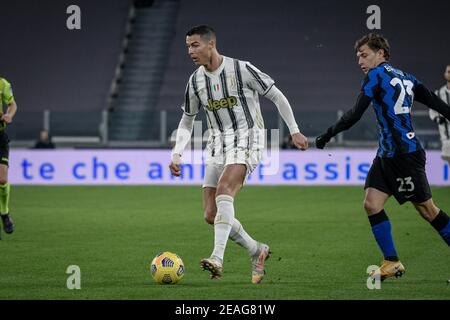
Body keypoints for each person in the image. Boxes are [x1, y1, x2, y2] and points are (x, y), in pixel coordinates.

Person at [169, 25, 308, 283]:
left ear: (211, 44)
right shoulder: (195, 81)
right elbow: (187, 120)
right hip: (217, 145)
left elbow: (277, 96)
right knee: (211, 215)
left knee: (224, 191)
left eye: (195, 45)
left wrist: (295, 130)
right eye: (188, 46)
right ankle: (257, 250)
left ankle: (217, 259)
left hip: (248, 139)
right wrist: (177, 153)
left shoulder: (241, 69)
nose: (190, 51)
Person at [315, 33, 450, 281]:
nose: (360, 61)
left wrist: (327, 135)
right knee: (371, 203)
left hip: (404, 156)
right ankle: (392, 261)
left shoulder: (376, 76)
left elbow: (354, 115)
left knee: (428, 210)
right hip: (387, 155)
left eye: (364, 55)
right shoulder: (408, 78)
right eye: (357, 56)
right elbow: (439, 105)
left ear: (381, 54)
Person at [0, 77, 17, 240]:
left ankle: (4, 214)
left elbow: (12, 105)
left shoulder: (3, 84)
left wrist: (8, 115)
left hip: (0, 137)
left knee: (2, 179)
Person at [429, 65, 450, 165]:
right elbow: (432, 111)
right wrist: (438, 118)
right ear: (445, 74)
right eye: (449, 72)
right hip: (446, 137)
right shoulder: (438, 93)